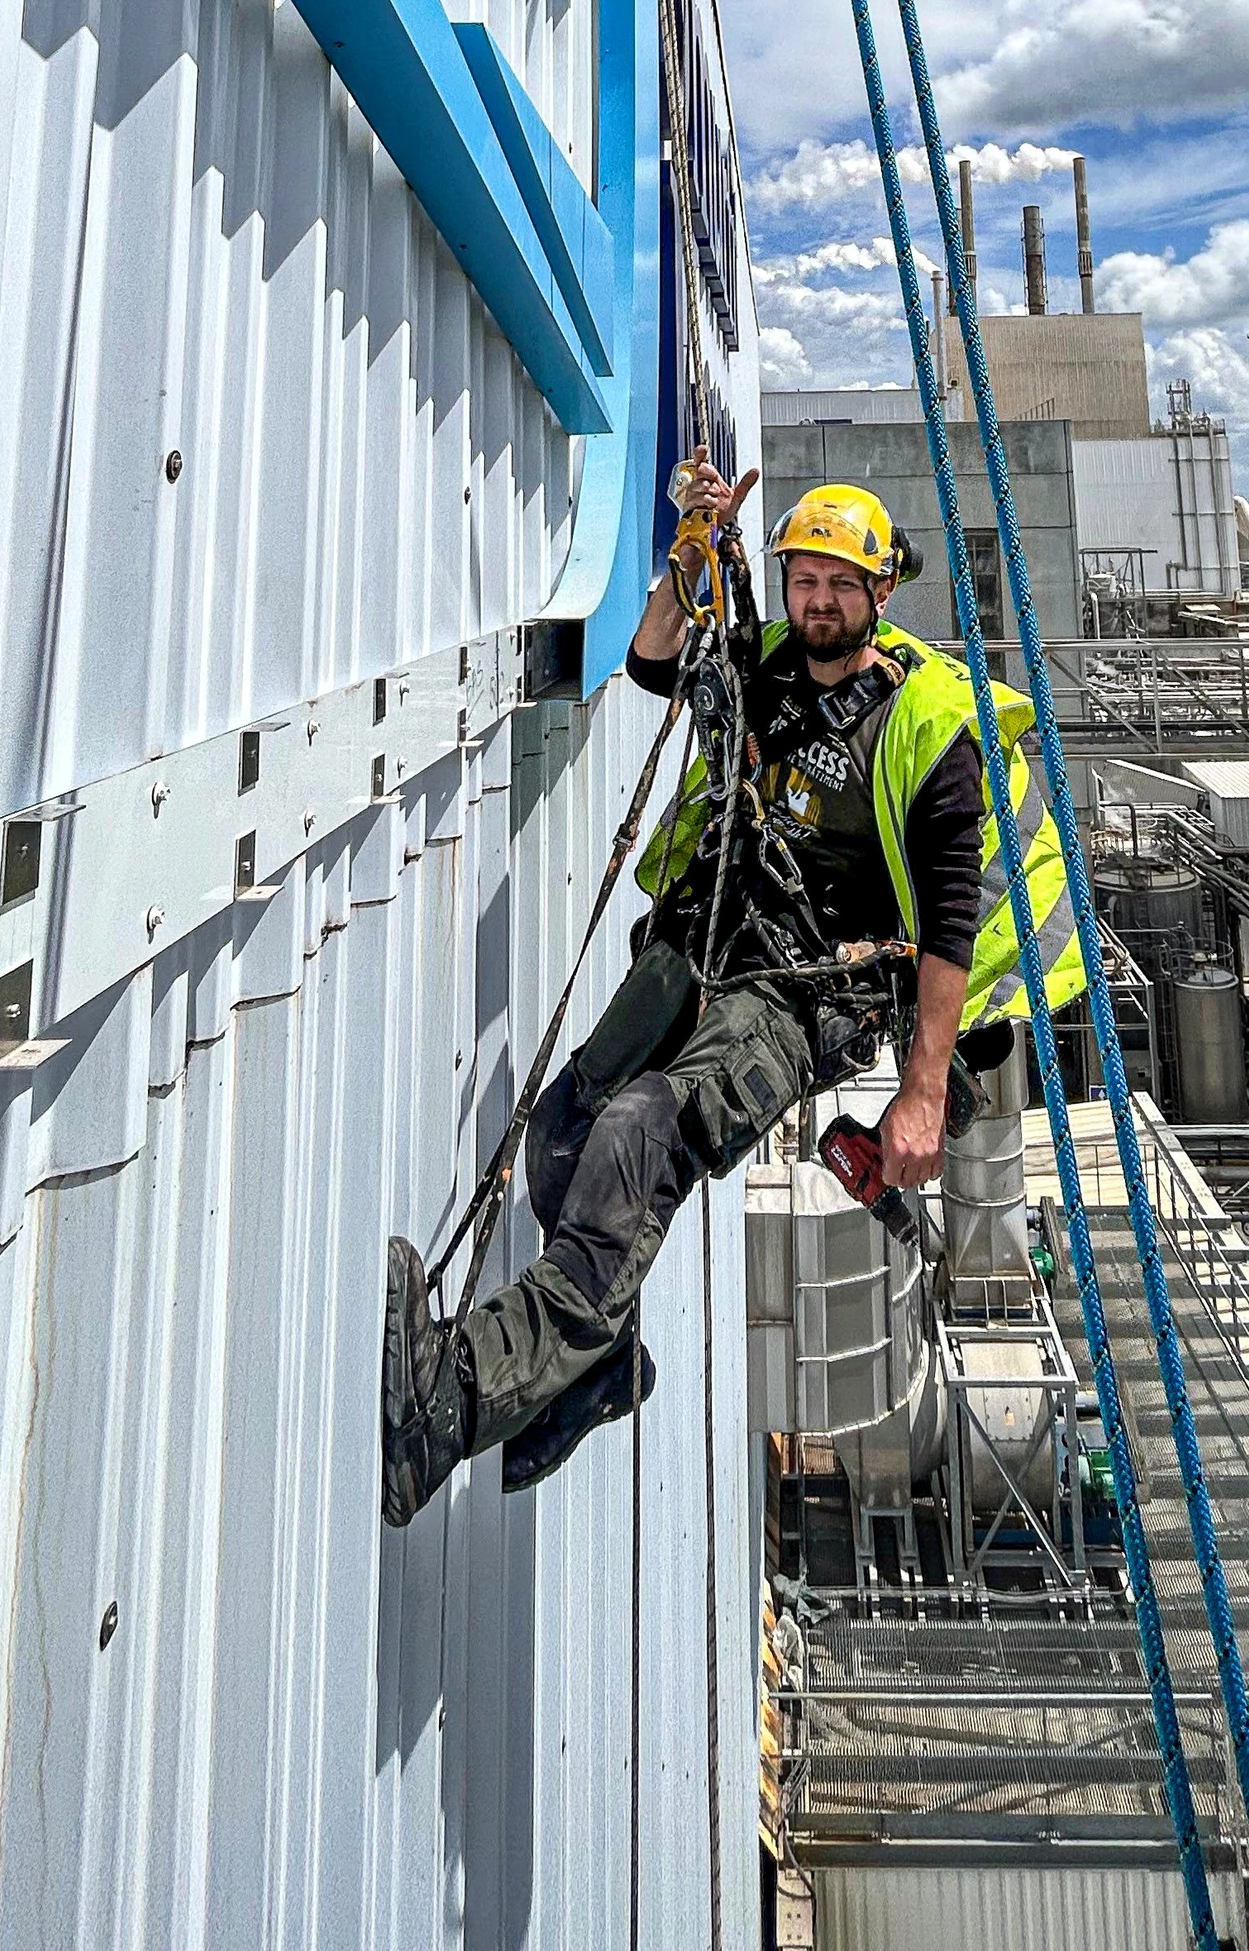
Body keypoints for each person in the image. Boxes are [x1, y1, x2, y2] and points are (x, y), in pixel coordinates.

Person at [381, 455, 1086, 1529]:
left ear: (880, 594)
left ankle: (465, 1390)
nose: (817, 598)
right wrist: (688, 561)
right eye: (804, 576)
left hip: (808, 992)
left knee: (641, 1132)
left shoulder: (926, 723)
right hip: (708, 944)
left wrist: (924, 1088)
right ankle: (595, 1371)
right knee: (568, 1126)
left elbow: (948, 919)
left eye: (840, 583)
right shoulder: (757, 663)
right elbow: (653, 660)